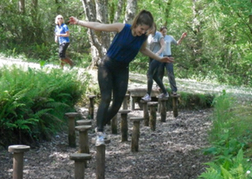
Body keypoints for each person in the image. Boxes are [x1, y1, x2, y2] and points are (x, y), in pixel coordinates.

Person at [68, 10, 174, 146]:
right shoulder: (122, 28)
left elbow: (144, 50)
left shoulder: (142, 38)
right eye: (142, 29)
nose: (143, 32)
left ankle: (98, 126)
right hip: (107, 65)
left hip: (122, 69)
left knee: (117, 103)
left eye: (145, 30)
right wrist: (78, 22)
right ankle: (99, 132)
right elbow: (99, 26)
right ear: (136, 24)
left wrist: (160, 58)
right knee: (106, 97)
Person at [141, 24, 169, 102]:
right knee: (155, 76)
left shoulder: (159, 34)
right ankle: (165, 92)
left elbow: (163, 46)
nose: (151, 29)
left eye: (152, 28)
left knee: (149, 74)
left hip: (158, 57)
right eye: (149, 28)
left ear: (155, 28)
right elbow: (145, 47)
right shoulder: (149, 36)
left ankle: (148, 95)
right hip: (151, 57)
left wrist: (158, 53)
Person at [159, 26, 187, 95]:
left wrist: (182, 37)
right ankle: (160, 88)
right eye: (163, 31)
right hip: (161, 57)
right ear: (160, 31)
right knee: (159, 73)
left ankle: (174, 90)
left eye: (165, 31)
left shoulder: (170, 37)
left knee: (170, 73)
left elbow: (177, 43)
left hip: (169, 57)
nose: (164, 33)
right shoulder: (158, 37)